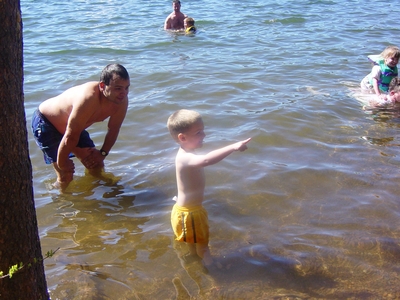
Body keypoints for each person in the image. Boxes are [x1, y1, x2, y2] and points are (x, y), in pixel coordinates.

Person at [167, 109, 251, 265]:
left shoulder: (186, 153)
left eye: (203, 131)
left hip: (185, 211)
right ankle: (213, 274)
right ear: (182, 137)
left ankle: (194, 265)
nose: (204, 135)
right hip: (190, 214)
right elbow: (206, 160)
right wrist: (232, 147)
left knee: (193, 245)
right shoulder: (185, 158)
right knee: (203, 248)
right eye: (199, 132)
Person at [31, 64, 130, 190]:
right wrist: (63, 163)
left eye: (127, 88)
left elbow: (114, 129)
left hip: (73, 128)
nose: (123, 93)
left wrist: (102, 154)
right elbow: (71, 136)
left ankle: (98, 197)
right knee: (65, 175)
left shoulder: (120, 101)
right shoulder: (88, 98)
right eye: (118, 88)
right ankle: (61, 202)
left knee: (96, 164)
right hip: (47, 124)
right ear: (102, 86)